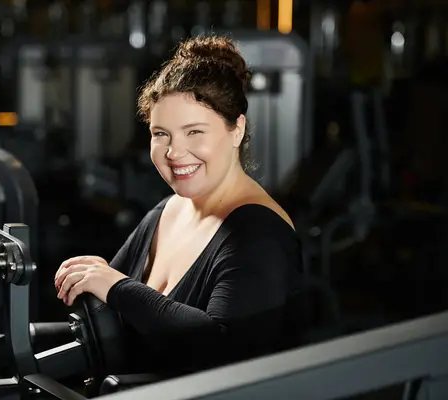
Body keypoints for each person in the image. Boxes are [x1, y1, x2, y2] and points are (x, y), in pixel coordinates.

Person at [54, 35, 306, 376]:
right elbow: (111, 314)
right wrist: (94, 279)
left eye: (194, 132)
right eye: (161, 134)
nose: (174, 152)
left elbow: (220, 350)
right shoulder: (169, 211)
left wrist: (115, 285)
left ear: (237, 130)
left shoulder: (259, 235)